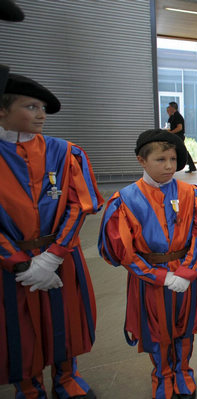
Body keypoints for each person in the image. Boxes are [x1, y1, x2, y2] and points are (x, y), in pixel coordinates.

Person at [0, 74, 103, 398]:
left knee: (65, 319)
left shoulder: (65, 152)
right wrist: (17, 263)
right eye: (30, 106)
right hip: (11, 262)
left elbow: (79, 205)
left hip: (60, 256)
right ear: (2, 110)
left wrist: (54, 255)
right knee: (20, 328)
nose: (41, 114)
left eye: (42, 107)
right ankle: (28, 387)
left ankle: (66, 378)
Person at [98, 129, 197, 399]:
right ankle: (162, 373)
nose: (169, 166)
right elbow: (125, 252)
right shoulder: (125, 200)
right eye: (160, 159)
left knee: (185, 327)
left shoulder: (191, 194)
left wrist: (186, 272)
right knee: (156, 330)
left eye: (173, 159)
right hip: (150, 280)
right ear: (141, 161)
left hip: (186, 275)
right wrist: (160, 277)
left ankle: (183, 370)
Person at [166, 102, 197, 173]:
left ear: (173, 108)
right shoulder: (172, 117)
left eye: (169, 107)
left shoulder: (177, 116)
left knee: (183, 151)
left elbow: (179, 128)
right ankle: (191, 166)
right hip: (175, 136)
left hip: (178, 137)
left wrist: (171, 132)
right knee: (179, 150)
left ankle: (191, 166)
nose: (168, 109)